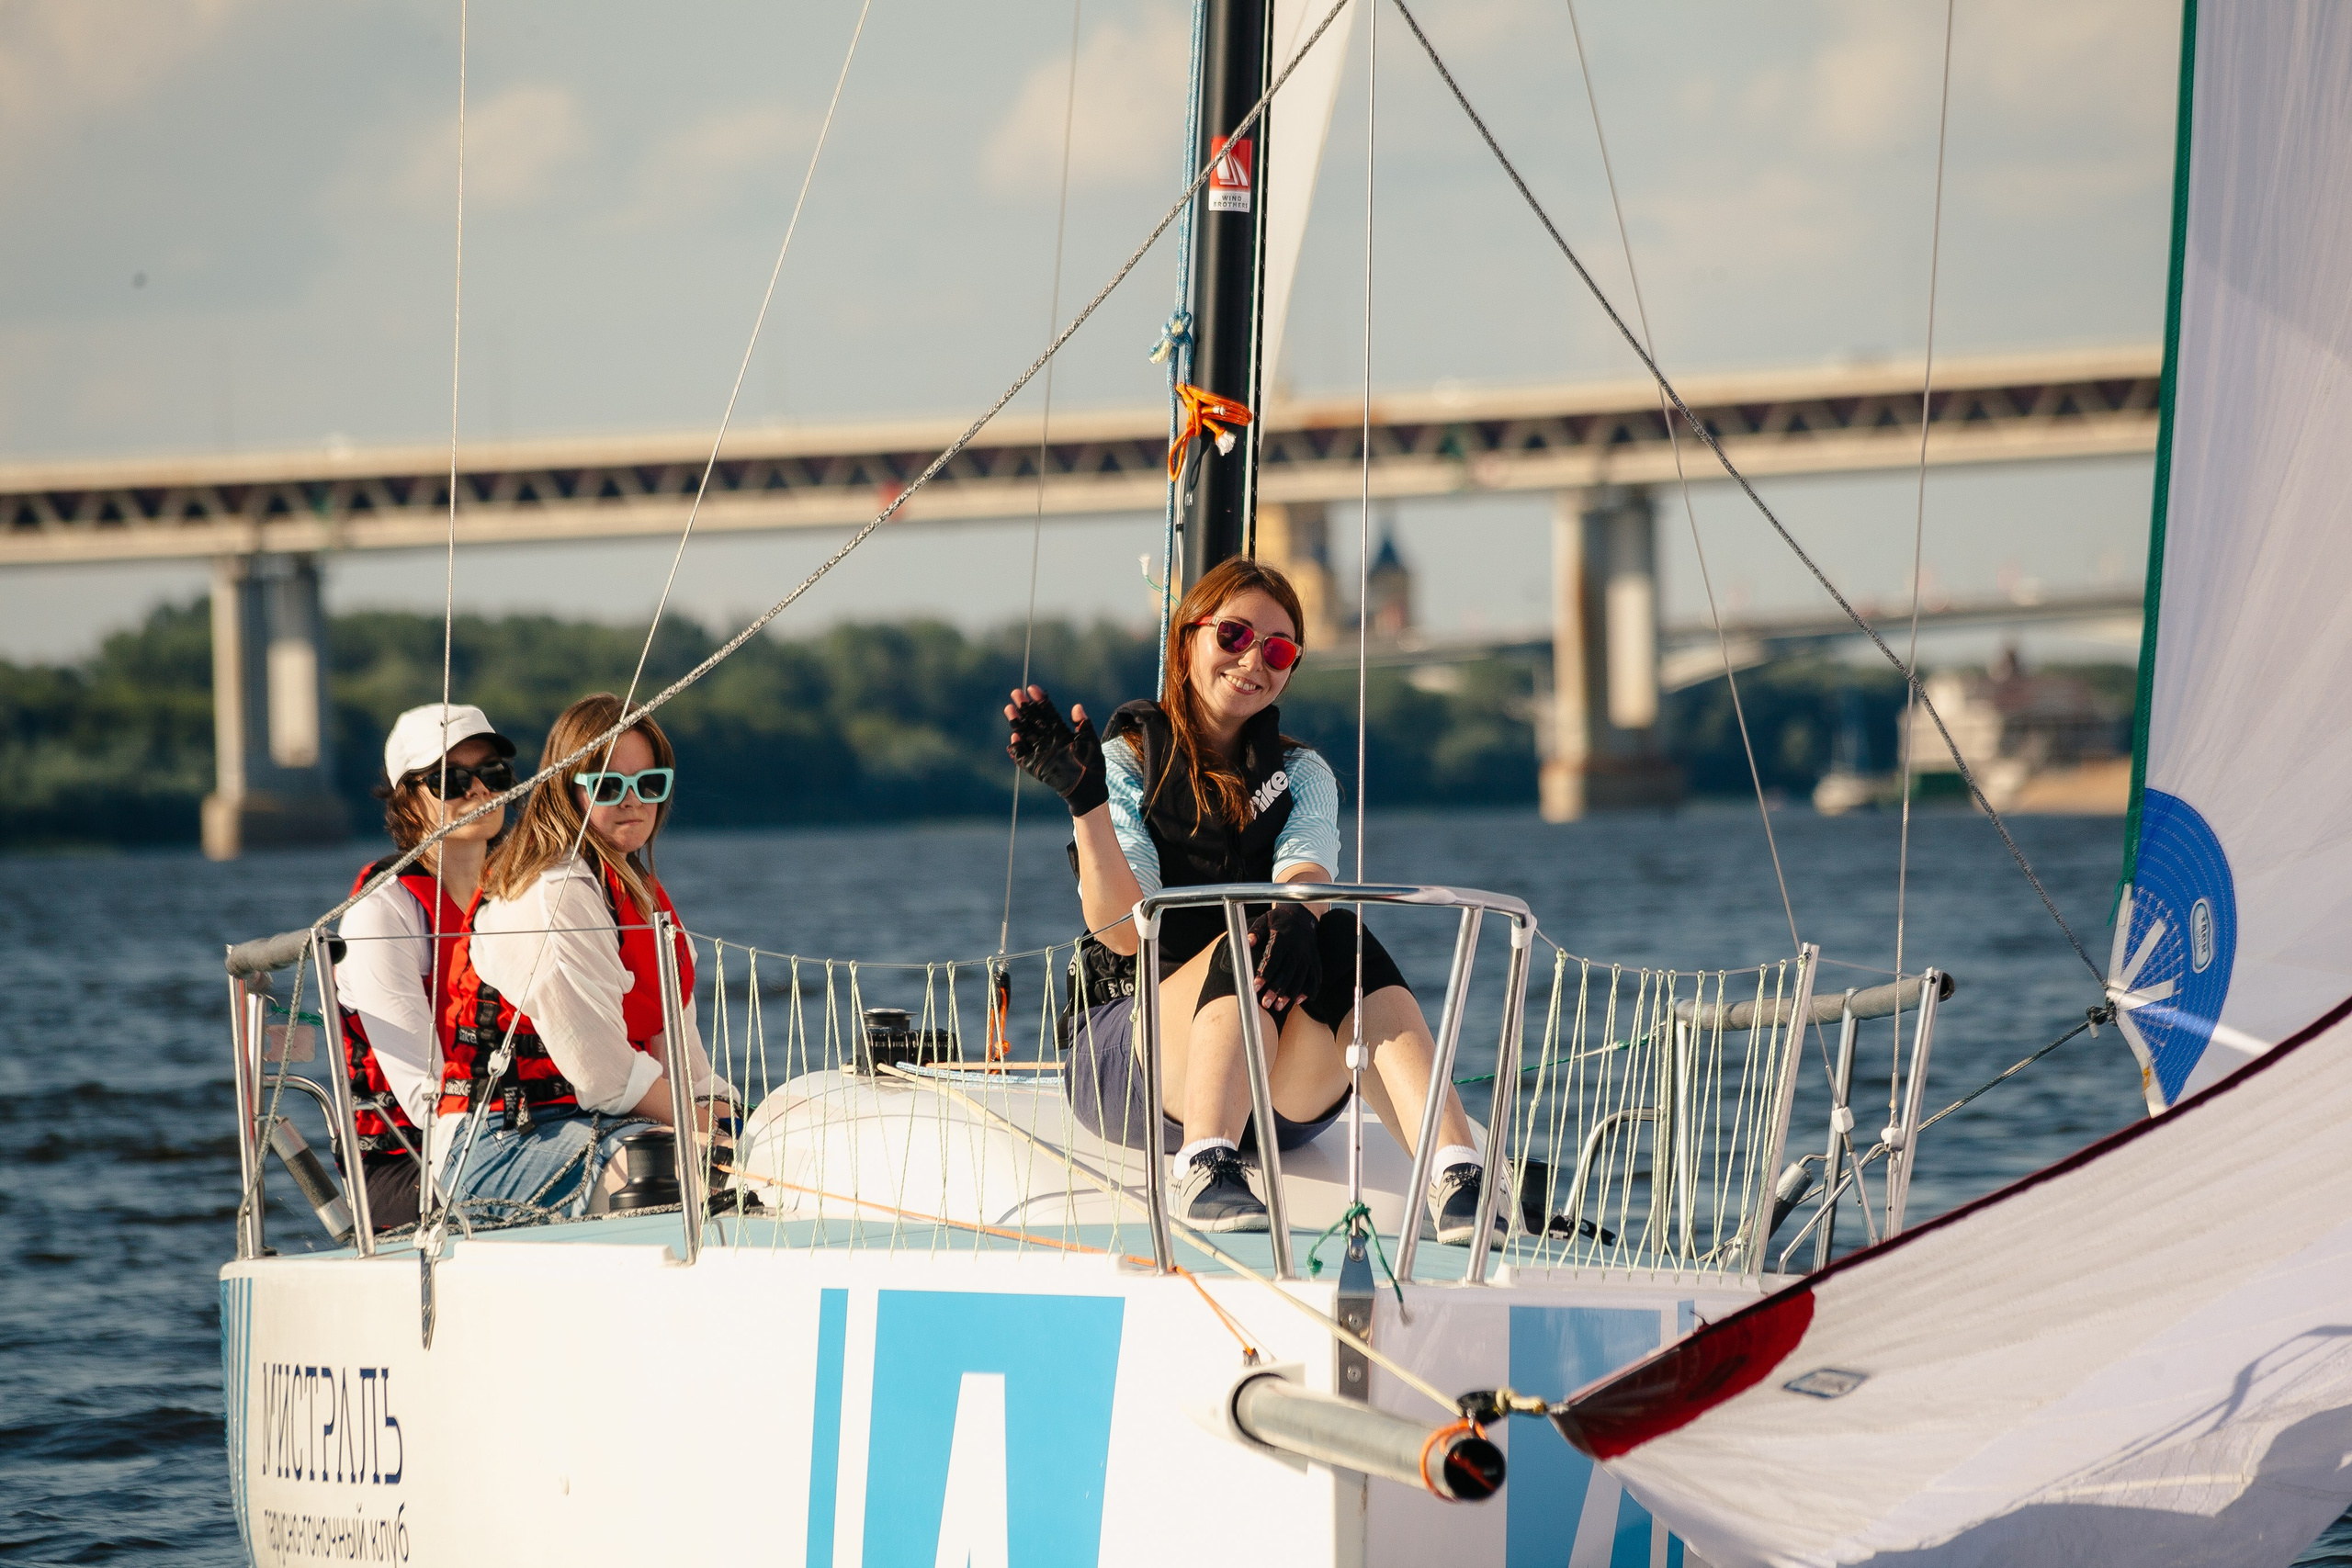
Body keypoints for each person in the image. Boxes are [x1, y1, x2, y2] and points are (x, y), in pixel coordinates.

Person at [1006, 556, 1499, 1241]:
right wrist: (1085, 801)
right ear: (1188, 640)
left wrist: (1299, 911)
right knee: (1250, 933)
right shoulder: (1124, 765)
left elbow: (1306, 869)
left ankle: (1456, 1172)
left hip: (1278, 1095)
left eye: (1277, 649)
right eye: (1233, 635)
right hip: (1134, 1064)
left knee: (1336, 934)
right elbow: (1124, 929)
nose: (1253, 660)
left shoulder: (1303, 775)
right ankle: (1206, 1162)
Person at [433, 694, 734, 1219]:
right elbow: (605, 1075)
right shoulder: (553, 893)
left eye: (649, 784)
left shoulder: (638, 892)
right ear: (566, 792)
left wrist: (738, 1118)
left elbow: (684, 1061)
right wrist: (710, 1126)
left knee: (778, 1150)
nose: (632, 801)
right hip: (501, 1139)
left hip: (606, 1121)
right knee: (690, 1174)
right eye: (609, 786)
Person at [334, 702, 515, 1232]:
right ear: (408, 802)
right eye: (452, 780)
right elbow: (422, 1096)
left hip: (515, 1129)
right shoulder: (381, 915)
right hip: (401, 1164)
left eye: (493, 774)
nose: (479, 791)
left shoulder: (520, 898)